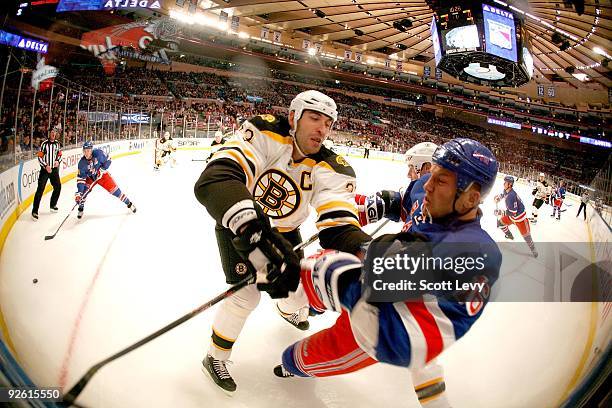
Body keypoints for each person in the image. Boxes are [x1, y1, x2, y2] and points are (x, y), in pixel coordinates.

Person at [273, 139, 502, 408]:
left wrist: (358, 272)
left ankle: (295, 362)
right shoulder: (423, 189)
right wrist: (343, 207)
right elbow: (396, 203)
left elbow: (417, 326)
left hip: (390, 312)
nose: (424, 182)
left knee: (303, 351)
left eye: (439, 180)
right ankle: (301, 307)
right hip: (377, 280)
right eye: (429, 175)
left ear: (470, 198)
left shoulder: (472, 251)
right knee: (311, 271)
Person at [194, 90, 371, 393]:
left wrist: (368, 251)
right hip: (241, 222)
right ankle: (216, 356)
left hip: (284, 233)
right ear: (293, 117)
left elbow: (339, 224)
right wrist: (250, 227)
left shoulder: (332, 167)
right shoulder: (265, 132)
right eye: (314, 118)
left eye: (328, 123)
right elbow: (217, 178)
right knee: (246, 296)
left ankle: (288, 309)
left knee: (295, 291)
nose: (322, 128)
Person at [75, 141, 137, 219]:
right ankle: (81, 208)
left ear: (91, 150)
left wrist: (102, 169)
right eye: (84, 151)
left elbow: (109, 160)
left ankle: (129, 203)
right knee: (83, 193)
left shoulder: (99, 153)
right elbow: (81, 179)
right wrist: (79, 193)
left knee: (115, 191)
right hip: (90, 178)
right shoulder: (82, 163)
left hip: (102, 176)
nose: (86, 153)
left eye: (88, 151)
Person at [495, 176, 537, 257]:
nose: (503, 184)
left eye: (505, 182)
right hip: (512, 217)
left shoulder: (511, 196)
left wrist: (500, 212)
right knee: (500, 223)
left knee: (527, 237)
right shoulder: (508, 191)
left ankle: (533, 249)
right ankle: (510, 236)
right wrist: (499, 198)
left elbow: (513, 213)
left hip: (520, 219)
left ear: (510, 184)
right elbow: (504, 193)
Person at [32, 127, 62, 220]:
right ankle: (35, 211)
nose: (53, 134)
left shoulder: (57, 144)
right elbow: (40, 157)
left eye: (54, 132)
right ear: (49, 134)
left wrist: (58, 161)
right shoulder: (44, 144)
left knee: (58, 186)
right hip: (45, 170)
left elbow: (59, 155)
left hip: (54, 170)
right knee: (40, 190)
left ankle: (53, 205)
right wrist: (46, 166)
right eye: (52, 132)